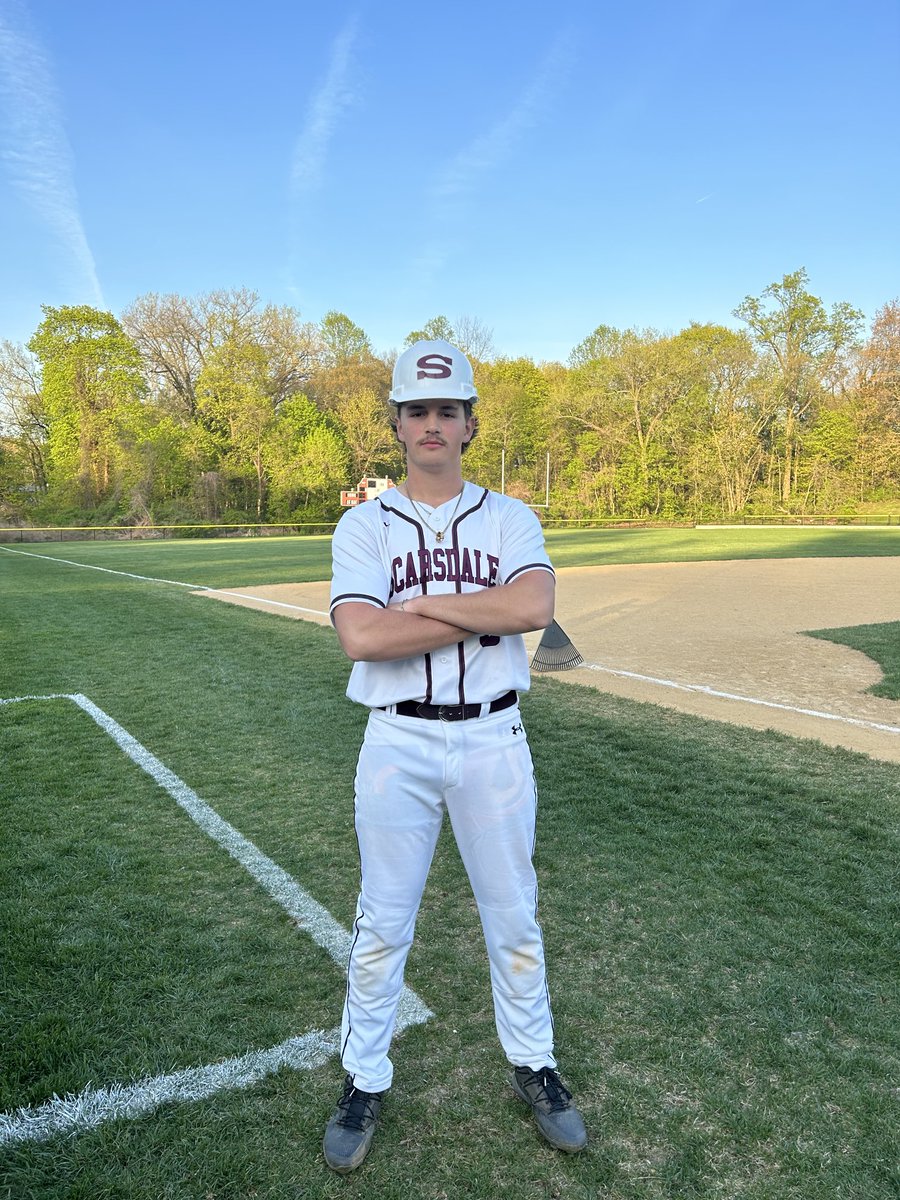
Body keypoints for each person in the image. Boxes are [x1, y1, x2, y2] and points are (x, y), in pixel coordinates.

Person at [324, 338, 586, 1173]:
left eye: (447, 410)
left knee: (513, 916)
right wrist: (484, 608)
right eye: (416, 411)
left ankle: (535, 1065)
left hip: (493, 734)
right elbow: (362, 635)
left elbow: (536, 605)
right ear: (397, 425)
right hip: (397, 737)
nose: (432, 424)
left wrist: (429, 604)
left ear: (470, 423)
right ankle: (365, 1078)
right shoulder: (364, 523)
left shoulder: (510, 517)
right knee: (380, 924)